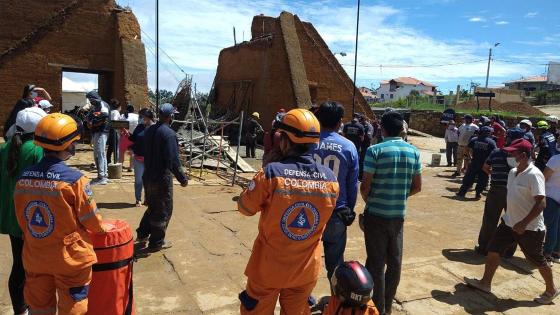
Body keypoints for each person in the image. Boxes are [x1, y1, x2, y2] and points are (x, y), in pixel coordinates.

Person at [237, 108, 339, 314]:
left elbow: (245, 208)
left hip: (268, 269)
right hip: (305, 270)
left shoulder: (271, 174)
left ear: (285, 140)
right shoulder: (331, 179)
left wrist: (264, 169)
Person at [14, 113, 106, 314]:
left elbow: (22, 218)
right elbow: (91, 219)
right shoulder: (75, 180)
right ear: (68, 145)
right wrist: (102, 228)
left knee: (39, 306)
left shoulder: (23, 178)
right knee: (73, 304)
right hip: (69, 259)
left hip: (35, 254)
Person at [466, 139, 559, 305]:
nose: (508, 155)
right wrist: (508, 216)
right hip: (509, 223)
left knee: (536, 260)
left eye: (512, 153)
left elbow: (541, 203)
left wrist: (523, 223)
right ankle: (485, 283)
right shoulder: (513, 172)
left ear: (523, 155)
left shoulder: (534, 174)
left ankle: (551, 290)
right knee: (493, 249)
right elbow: (512, 197)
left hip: (529, 228)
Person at [360, 111, 422, 315]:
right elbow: (417, 187)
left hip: (376, 215)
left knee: (376, 264)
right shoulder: (414, 152)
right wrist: (399, 197)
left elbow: (365, 187)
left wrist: (372, 202)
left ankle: (377, 308)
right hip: (398, 216)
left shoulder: (374, 150)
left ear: (382, 128)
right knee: (394, 262)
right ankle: (386, 307)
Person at [0, 107, 47, 315]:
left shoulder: (4, 148)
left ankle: (20, 309)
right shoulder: (36, 150)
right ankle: (34, 305)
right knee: (34, 266)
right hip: (32, 218)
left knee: (18, 263)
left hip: (10, 216)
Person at [312, 102, 360, 281]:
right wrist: (350, 208)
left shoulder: (309, 143)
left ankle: (303, 299)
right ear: (340, 121)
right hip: (336, 210)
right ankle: (336, 299)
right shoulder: (348, 147)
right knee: (335, 261)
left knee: (305, 257)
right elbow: (352, 184)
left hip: (309, 208)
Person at [136, 103, 188, 252]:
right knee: (163, 210)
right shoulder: (169, 134)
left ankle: (142, 233)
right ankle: (156, 242)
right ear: (170, 117)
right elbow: (173, 161)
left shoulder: (149, 130)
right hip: (161, 179)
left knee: (153, 206)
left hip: (148, 176)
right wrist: (182, 179)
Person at [475, 127, 525, 256]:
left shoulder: (496, 152)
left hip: (496, 190)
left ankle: (484, 247)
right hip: (514, 192)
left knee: (489, 220)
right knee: (513, 220)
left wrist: (494, 174)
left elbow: (485, 167)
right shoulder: (521, 156)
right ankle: (508, 250)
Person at [457, 126, 496, 199]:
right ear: (489, 133)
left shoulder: (474, 139)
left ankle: (462, 192)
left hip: (474, 162)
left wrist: (469, 157)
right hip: (484, 164)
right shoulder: (491, 142)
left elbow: (466, 149)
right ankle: (478, 194)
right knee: (482, 180)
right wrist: (490, 163)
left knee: (468, 178)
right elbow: (494, 153)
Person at [129, 108, 155, 207]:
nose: (140, 118)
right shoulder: (139, 127)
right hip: (138, 158)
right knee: (139, 180)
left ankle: (148, 199)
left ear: (147, 117)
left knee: (149, 180)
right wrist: (127, 134)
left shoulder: (155, 128)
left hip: (150, 159)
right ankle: (138, 199)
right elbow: (134, 138)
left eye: (141, 116)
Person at [86, 91, 110, 185]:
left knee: (99, 153)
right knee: (100, 153)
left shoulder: (102, 105)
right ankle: (104, 174)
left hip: (101, 132)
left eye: (91, 100)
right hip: (97, 132)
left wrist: (93, 122)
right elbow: (90, 116)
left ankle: (101, 177)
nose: (90, 102)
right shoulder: (96, 106)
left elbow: (105, 116)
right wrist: (89, 120)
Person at [543, 154, 560, 264]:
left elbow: (544, 177)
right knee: (557, 226)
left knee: (550, 226)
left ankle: (547, 254)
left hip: (550, 196)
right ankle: (556, 253)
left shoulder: (556, 159)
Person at [119, 104, 140, 172]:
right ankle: (131, 167)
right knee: (132, 153)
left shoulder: (122, 116)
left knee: (122, 152)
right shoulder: (137, 117)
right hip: (133, 136)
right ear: (133, 110)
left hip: (124, 136)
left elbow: (119, 126)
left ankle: (120, 166)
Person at [107, 99, 122, 165]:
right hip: (114, 130)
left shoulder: (111, 111)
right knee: (115, 147)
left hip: (110, 130)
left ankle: (108, 160)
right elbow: (115, 121)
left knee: (111, 146)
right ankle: (116, 161)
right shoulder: (116, 112)